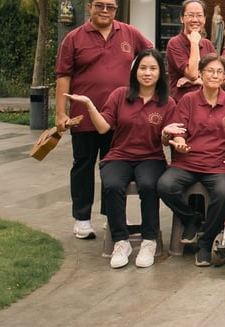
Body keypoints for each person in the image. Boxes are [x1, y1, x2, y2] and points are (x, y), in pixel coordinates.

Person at [55, 0, 152, 239]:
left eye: (110, 7)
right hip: (83, 117)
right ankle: (82, 218)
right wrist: (60, 113)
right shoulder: (73, 38)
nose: (105, 11)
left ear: (116, 9)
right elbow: (63, 76)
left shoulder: (129, 33)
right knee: (83, 166)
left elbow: (150, 57)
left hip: (120, 119)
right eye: (99, 6)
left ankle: (113, 216)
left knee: (116, 169)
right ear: (90, 7)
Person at [65, 48, 174, 268]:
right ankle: (120, 241)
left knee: (148, 185)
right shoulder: (119, 95)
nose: (147, 73)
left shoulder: (167, 102)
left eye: (153, 68)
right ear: (134, 71)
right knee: (113, 185)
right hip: (119, 155)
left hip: (151, 157)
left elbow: (165, 141)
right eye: (143, 68)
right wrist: (89, 105)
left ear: (160, 73)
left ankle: (149, 240)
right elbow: (103, 128)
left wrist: (166, 134)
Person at [157, 53, 225, 266]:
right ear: (201, 74)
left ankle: (206, 241)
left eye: (219, 72)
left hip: (218, 163)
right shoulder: (188, 100)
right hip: (187, 160)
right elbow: (179, 130)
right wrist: (179, 143)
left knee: (224, 193)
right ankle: (191, 218)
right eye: (210, 71)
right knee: (165, 185)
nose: (215, 75)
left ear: (224, 76)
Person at [165, 0, 216, 101]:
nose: (195, 19)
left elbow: (215, 76)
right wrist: (194, 43)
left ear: (204, 19)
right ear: (182, 18)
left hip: (207, 101)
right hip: (183, 102)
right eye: (190, 15)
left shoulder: (207, 44)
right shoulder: (174, 43)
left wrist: (196, 81)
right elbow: (193, 74)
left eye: (199, 15)